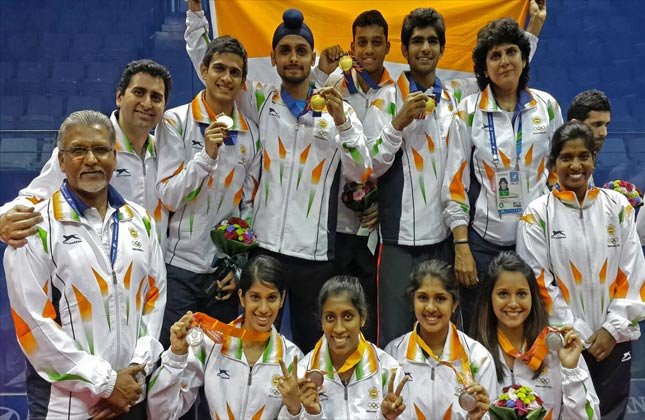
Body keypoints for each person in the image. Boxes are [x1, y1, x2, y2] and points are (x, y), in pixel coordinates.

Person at [185, 5, 371, 353]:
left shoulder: (337, 112)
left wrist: (343, 122)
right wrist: (196, 14)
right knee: (254, 346)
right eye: (285, 50)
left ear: (312, 58)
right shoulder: (259, 100)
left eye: (301, 51)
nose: (293, 58)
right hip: (265, 250)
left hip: (315, 256)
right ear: (272, 58)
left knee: (313, 349)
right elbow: (209, 64)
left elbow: (361, 171)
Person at [3, 110, 167, 419]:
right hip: (67, 406)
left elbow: (154, 299)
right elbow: (33, 325)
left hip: (130, 393)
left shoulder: (140, 220)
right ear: (61, 161)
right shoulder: (33, 229)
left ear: (114, 156)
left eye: (101, 149)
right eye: (78, 150)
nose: (91, 159)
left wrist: (136, 371)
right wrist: (106, 383)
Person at [516, 121, 645, 420]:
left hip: (614, 340)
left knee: (613, 413)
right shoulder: (537, 215)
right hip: (565, 343)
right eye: (566, 157)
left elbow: (634, 273)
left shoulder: (619, 208)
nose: (576, 165)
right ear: (553, 164)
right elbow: (538, 283)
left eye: (583, 156)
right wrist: (580, 334)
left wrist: (611, 329)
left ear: (594, 160)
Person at [442, 17, 563, 331]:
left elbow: (558, 175)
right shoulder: (467, 112)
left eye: (511, 52)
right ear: (484, 67)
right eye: (494, 56)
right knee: (480, 334)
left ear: (524, 58)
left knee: (536, 331)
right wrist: (461, 247)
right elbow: (454, 184)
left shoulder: (547, 107)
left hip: (538, 241)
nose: (504, 61)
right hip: (484, 245)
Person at [155, 36, 260, 348]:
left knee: (217, 370)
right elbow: (169, 195)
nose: (226, 78)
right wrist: (206, 156)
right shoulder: (175, 121)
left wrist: (238, 269)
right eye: (219, 69)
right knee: (169, 363)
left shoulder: (251, 134)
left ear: (242, 82)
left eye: (235, 72)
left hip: (221, 278)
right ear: (203, 70)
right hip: (178, 270)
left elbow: (248, 209)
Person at [0, 59, 172, 248]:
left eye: (156, 97)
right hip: (97, 266)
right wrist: (4, 218)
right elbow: (38, 195)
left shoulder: (165, 152)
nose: (147, 103)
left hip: (154, 266)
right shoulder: (83, 147)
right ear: (119, 97)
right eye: (139, 92)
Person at [147, 255, 304, 419]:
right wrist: (175, 357)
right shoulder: (212, 345)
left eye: (271, 297)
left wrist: (295, 410)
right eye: (255, 297)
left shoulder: (292, 358)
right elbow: (160, 415)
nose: (264, 309)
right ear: (242, 297)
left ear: (282, 299)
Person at [473, 251, 600, 419]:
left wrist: (571, 370)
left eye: (521, 294)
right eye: (503, 294)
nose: (512, 303)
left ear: (533, 298)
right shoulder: (472, 353)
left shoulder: (557, 348)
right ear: (489, 298)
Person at [385, 260, 494, 419]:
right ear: (412, 301)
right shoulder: (393, 354)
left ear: (455, 303)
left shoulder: (479, 358)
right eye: (422, 297)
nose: (430, 307)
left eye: (440, 298)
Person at [292, 275, 408, 419]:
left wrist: (387, 418)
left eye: (347, 317)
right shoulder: (303, 374)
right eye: (330, 317)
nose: (339, 328)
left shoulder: (388, 370)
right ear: (321, 321)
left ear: (363, 317)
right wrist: (313, 415)